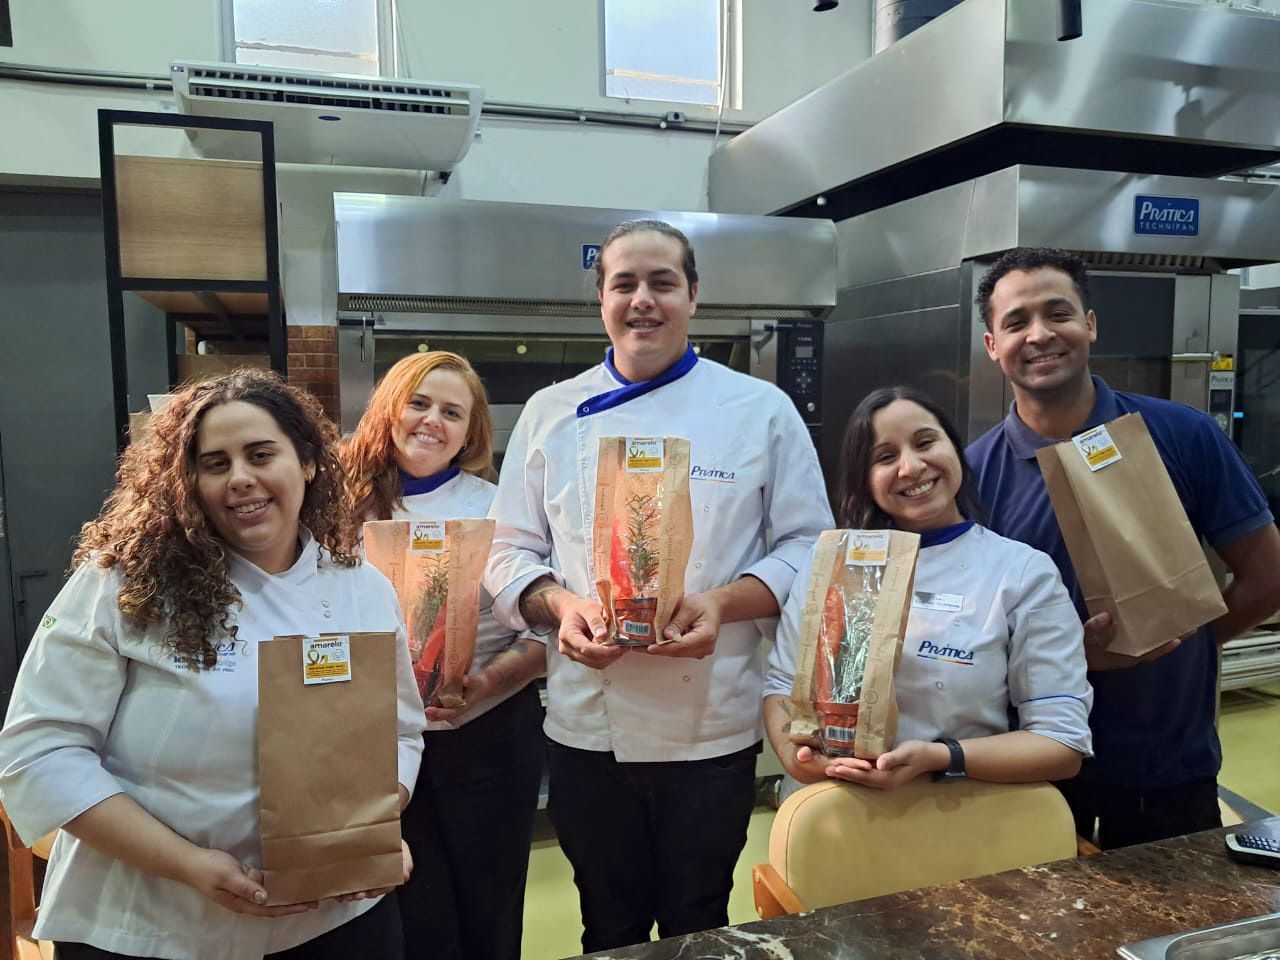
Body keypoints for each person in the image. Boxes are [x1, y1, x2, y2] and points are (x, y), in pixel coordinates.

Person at [483, 219, 833, 952]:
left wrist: (720, 603)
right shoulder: (552, 412)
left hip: (710, 728)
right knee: (606, 923)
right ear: (602, 301)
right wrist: (563, 606)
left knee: (697, 918)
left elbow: (810, 545)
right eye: (624, 284)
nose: (643, 300)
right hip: (585, 727)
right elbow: (508, 552)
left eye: (662, 283)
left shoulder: (759, 410)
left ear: (694, 295)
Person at [0, 370, 426, 960]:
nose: (241, 479)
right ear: (188, 480)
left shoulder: (362, 589)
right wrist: (191, 866)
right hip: (153, 925)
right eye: (215, 463)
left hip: (336, 921)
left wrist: (367, 833)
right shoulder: (126, 583)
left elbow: (399, 732)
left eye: (260, 454)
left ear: (307, 462)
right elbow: (39, 752)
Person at [966, 247, 1280, 849]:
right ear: (991, 345)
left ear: (1089, 324)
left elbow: (1267, 576)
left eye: (1057, 313)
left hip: (1168, 773)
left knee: (1170, 933)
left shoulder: (1183, 435)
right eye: (1016, 322)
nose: (1039, 335)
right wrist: (1067, 658)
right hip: (1027, 777)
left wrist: (1181, 638)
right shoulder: (971, 478)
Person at [764, 386, 1092, 795]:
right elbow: (780, 687)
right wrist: (798, 759)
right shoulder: (832, 562)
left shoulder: (1022, 573)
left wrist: (942, 756)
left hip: (955, 817)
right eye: (885, 457)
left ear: (954, 448)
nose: (911, 466)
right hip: (830, 816)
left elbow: (1061, 744)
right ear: (864, 478)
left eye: (925, 442)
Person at [343, 351, 546, 960]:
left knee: (488, 907)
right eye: (420, 403)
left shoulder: (499, 509)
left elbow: (544, 632)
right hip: (372, 743)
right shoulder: (334, 505)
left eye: (452, 412)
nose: (433, 421)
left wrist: (487, 683)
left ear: (470, 432)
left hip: (486, 735)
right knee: (403, 908)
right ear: (389, 410)